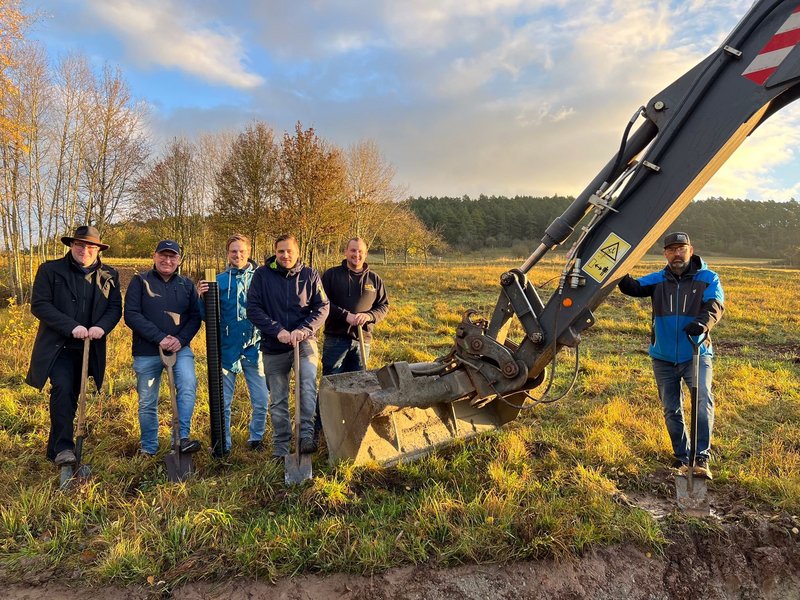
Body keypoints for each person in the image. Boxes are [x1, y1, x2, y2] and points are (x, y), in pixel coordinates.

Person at [618, 231, 724, 479]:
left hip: (696, 352)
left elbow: (714, 305)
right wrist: (619, 267)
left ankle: (700, 458)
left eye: (681, 248)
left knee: (702, 402)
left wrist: (702, 323)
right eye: (672, 249)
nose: (677, 254)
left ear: (691, 249)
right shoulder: (658, 279)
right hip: (663, 356)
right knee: (671, 408)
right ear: (665, 253)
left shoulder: (708, 278)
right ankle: (681, 457)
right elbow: (632, 287)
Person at [26, 225, 122, 466]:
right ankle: (65, 449)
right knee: (63, 387)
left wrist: (101, 326)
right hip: (59, 346)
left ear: (98, 249)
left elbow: (114, 309)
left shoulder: (109, 275)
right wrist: (70, 326)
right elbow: (40, 304)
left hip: (90, 347)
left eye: (91, 246)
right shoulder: (50, 270)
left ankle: (57, 448)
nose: (85, 250)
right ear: (71, 245)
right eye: (80, 245)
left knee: (71, 394)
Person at [246, 234, 329, 459]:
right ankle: (281, 445)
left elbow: (322, 306)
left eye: (289, 251)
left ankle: (305, 435)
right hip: (274, 345)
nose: (285, 255)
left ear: (298, 252)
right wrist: (277, 330)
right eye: (281, 251)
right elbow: (253, 308)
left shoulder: (309, 275)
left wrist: (305, 329)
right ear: (275, 252)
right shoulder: (262, 275)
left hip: (304, 342)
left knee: (307, 382)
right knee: (279, 397)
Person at [124, 240, 202, 456]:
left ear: (179, 260)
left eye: (172, 257)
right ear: (154, 256)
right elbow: (131, 314)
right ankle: (149, 447)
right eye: (163, 256)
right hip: (147, 350)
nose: (167, 260)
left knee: (187, 385)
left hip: (180, 348)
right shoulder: (140, 281)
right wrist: (159, 338)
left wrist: (180, 339)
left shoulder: (187, 285)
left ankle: (181, 439)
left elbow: (195, 317)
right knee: (148, 400)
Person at [198, 234, 269, 453]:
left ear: (249, 252)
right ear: (227, 254)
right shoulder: (217, 281)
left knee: (261, 400)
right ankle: (223, 444)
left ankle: (256, 439)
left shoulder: (261, 279)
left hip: (254, 349)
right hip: (226, 350)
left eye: (241, 251)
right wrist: (201, 298)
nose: (237, 255)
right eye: (233, 251)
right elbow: (206, 316)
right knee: (223, 402)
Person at [320, 237, 389, 374]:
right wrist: (346, 316)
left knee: (358, 385)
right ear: (345, 252)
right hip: (336, 340)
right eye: (353, 250)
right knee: (332, 383)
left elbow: (383, 306)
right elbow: (322, 303)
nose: (356, 255)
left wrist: (369, 316)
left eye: (360, 251)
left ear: (365, 254)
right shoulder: (331, 275)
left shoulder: (375, 279)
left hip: (362, 340)